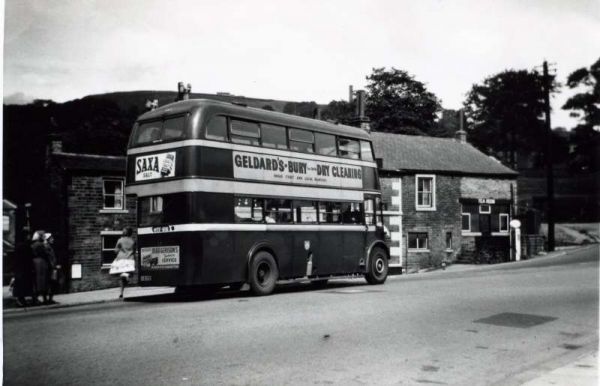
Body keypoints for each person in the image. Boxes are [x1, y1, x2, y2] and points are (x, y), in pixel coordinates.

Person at [113, 227, 136, 299]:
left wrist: (118, 250)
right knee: (127, 275)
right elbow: (134, 251)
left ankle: (121, 293)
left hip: (121, 259)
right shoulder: (133, 241)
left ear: (125, 232)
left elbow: (116, 251)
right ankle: (126, 277)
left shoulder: (120, 240)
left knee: (121, 277)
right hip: (130, 259)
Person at [12, 237, 34, 307]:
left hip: (20, 268)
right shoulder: (26, 247)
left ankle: (20, 299)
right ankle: (21, 299)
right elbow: (30, 257)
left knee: (20, 284)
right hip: (24, 268)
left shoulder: (19, 246)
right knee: (23, 284)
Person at [31, 230, 50, 304]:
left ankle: (35, 298)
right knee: (43, 280)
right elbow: (45, 253)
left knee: (37, 280)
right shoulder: (41, 245)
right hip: (41, 263)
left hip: (35, 262)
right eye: (43, 236)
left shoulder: (33, 244)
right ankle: (44, 298)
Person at [44, 233, 60, 303]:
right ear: (47, 239)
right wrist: (54, 266)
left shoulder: (49, 247)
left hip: (51, 268)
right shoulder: (47, 247)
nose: (53, 239)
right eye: (51, 238)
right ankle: (49, 299)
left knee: (51, 283)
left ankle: (49, 299)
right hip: (51, 269)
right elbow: (49, 259)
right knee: (51, 283)